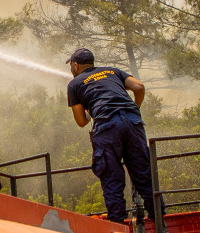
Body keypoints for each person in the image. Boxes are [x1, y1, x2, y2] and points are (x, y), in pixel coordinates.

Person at [65, 47, 156, 222]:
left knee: (111, 176)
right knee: (143, 173)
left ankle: (118, 224)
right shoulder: (112, 71)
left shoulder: (74, 85)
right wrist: (134, 109)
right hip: (133, 122)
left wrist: (92, 104)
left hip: (107, 127)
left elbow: (81, 121)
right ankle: (159, 220)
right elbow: (139, 87)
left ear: (75, 66)